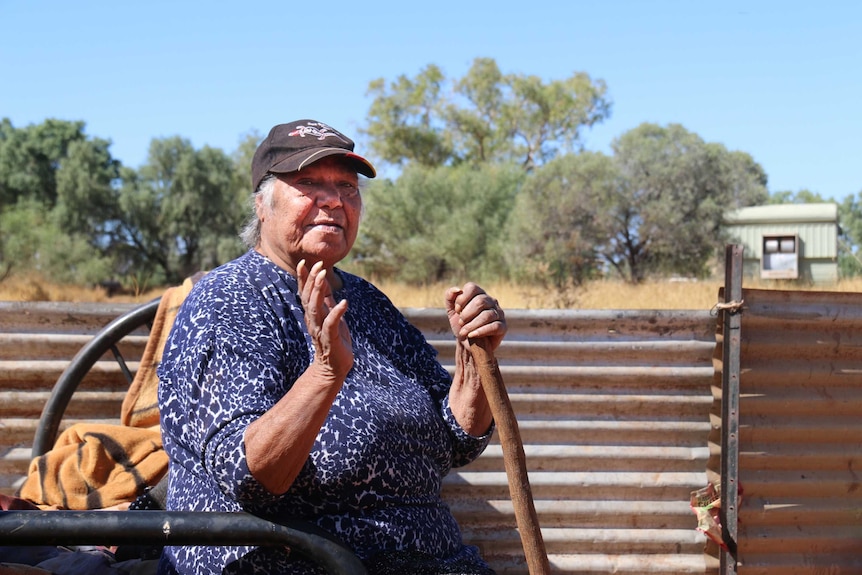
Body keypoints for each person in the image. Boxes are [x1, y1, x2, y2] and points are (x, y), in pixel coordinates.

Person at [157, 119, 508, 575]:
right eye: (307, 183)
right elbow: (250, 477)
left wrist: (474, 357)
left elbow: (456, 438)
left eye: (347, 185)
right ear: (262, 205)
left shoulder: (366, 301)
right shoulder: (230, 301)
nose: (334, 199)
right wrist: (325, 373)